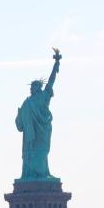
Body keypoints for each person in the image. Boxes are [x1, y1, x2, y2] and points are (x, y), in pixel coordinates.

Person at [15, 49, 61, 181]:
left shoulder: (43, 97)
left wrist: (56, 65)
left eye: (33, 87)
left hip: (41, 133)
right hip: (32, 136)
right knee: (34, 153)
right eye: (31, 87)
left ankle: (42, 173)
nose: (31, 89)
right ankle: (32, 174)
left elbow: (51, 81)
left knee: (42, 152)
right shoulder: (27, 103)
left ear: (38, 88)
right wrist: (20, 115)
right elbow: (20, 125)